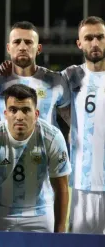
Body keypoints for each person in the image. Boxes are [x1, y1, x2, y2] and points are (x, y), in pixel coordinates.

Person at [0, 84, 71, 233]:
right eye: (13, 110)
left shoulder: (52, 137)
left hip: (38, 212)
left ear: (36, 114)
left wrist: (60, 232)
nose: (19, 116)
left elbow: (61, 188)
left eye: (26, 110)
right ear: (5, 113)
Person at [62, 16, 105, 234]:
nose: (95, 43)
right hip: (83, 183)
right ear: (79, 43)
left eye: (100, 37)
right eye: (89, 38)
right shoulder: (72, 76)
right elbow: (36, 83)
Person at [0, 21, 70, 127]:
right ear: (8, 48)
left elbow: (75, 125)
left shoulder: (56, 81)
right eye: (17, 42)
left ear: (39, 48)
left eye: (28, 42)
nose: (22, 47)